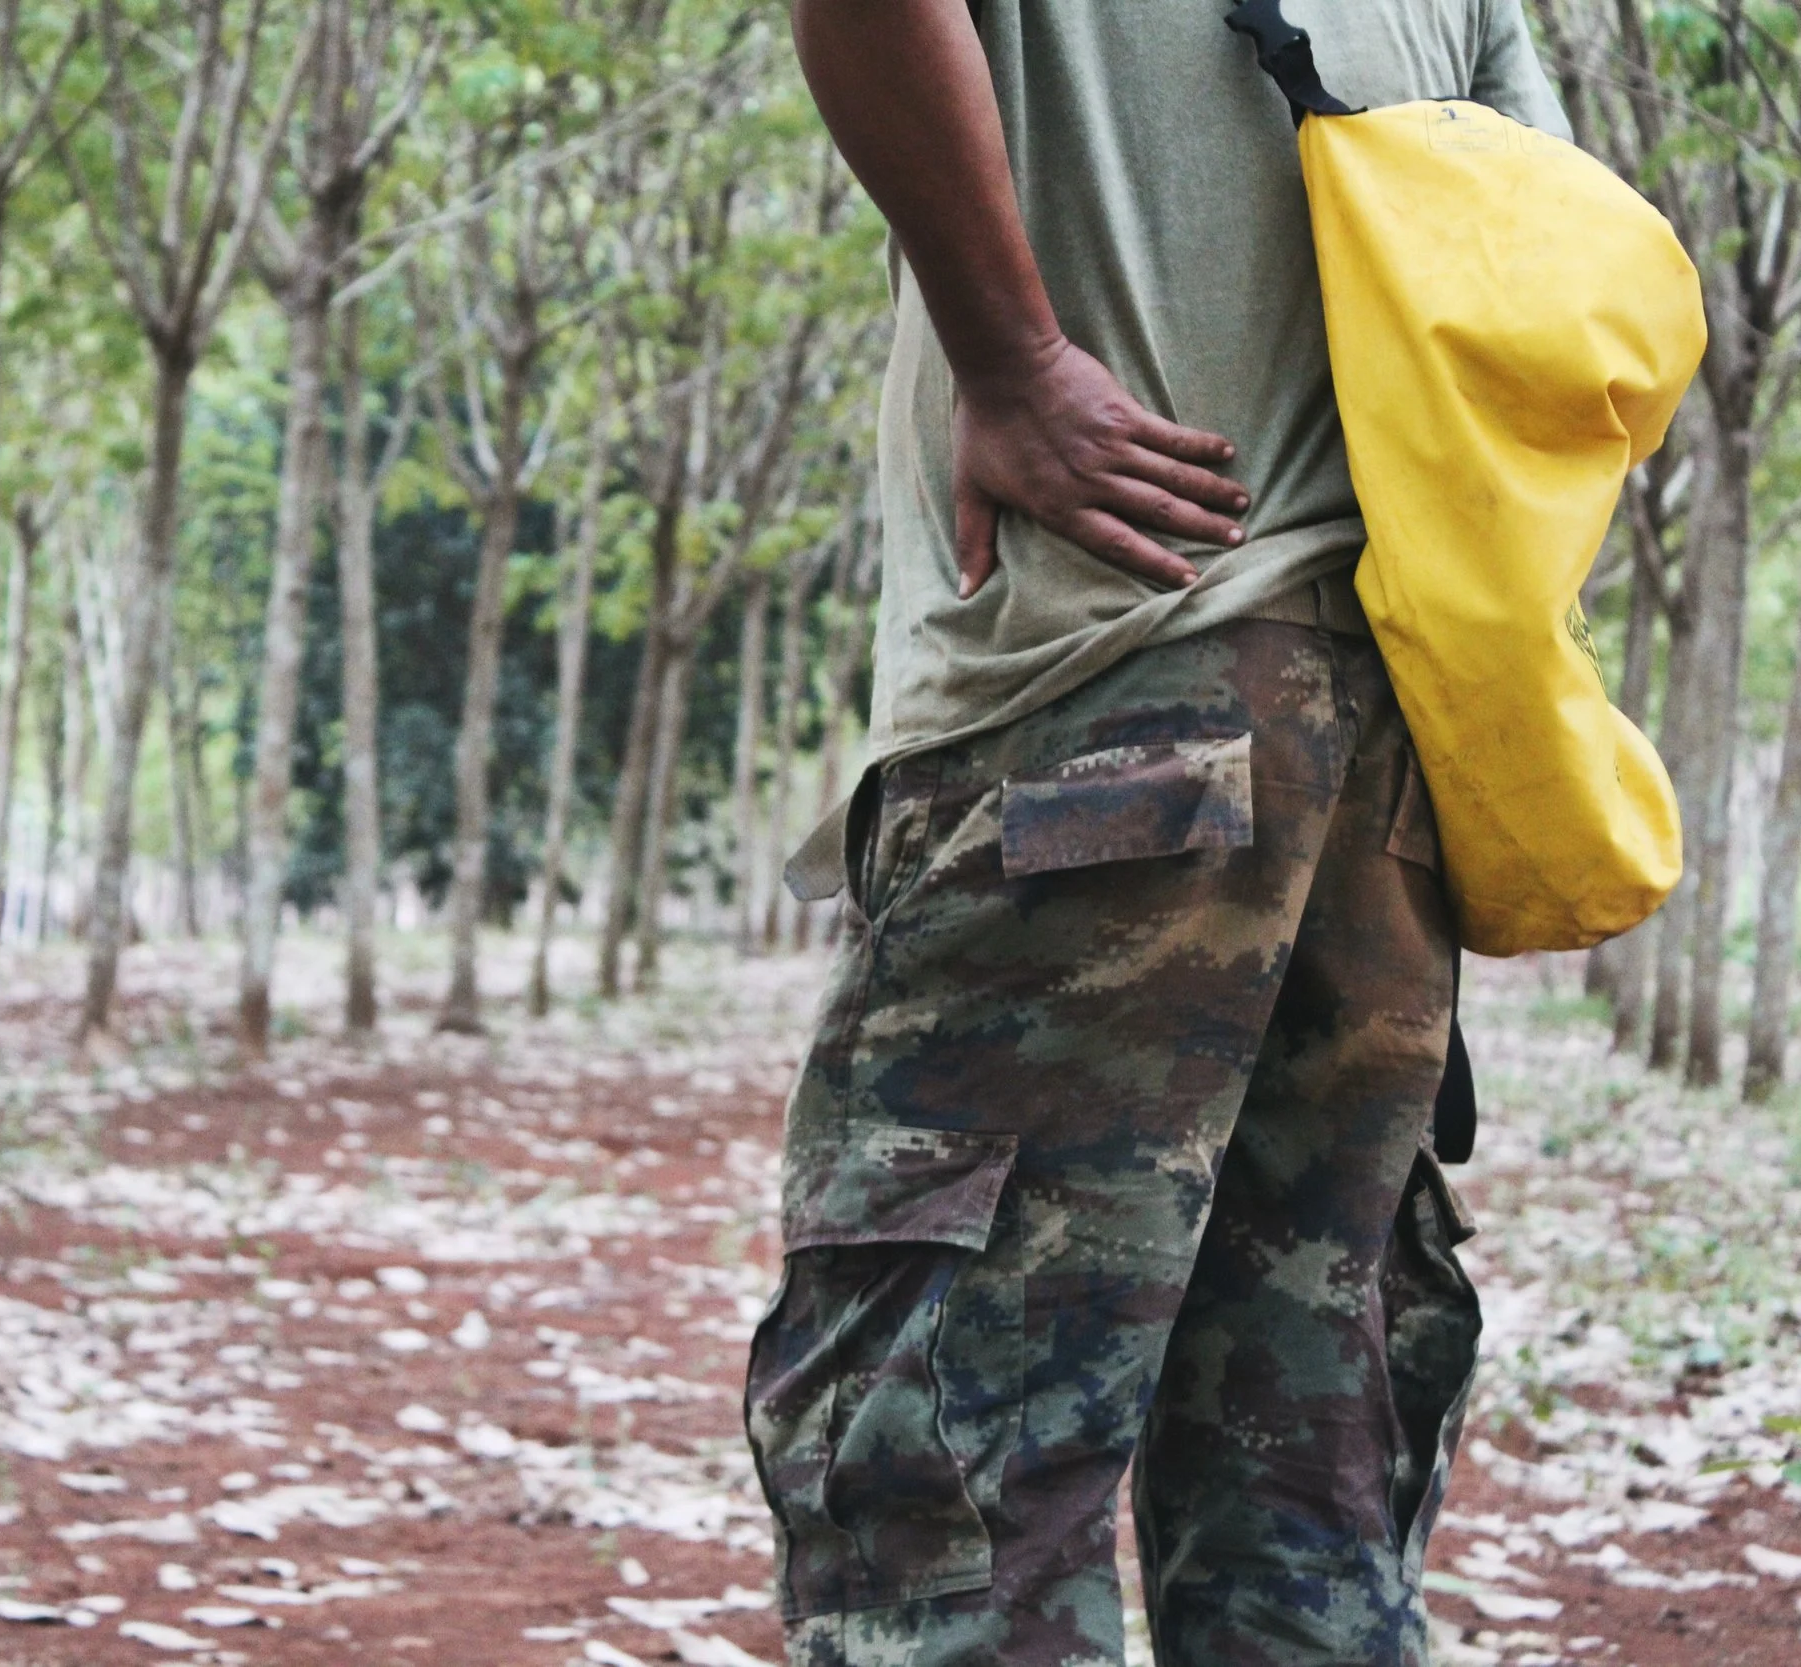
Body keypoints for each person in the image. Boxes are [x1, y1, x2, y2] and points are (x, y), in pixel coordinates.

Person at [744, 0, 1571, 1662]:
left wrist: (1012, 357)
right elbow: (1554, 255)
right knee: (1305, 1476)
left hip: (1103, 690)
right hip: (1373, 749)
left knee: (957, 1470)